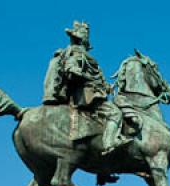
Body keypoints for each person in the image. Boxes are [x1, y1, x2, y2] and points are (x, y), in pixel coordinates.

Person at [42, 21, 124, 159]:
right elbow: (71, 68)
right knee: (115, 113)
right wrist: (83, 75)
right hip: (87, 96)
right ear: (81, 38)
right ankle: (110, 143)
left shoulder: (75, 52)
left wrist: (106, 86)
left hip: (91, 92)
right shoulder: (76, 52)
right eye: (85, 36)